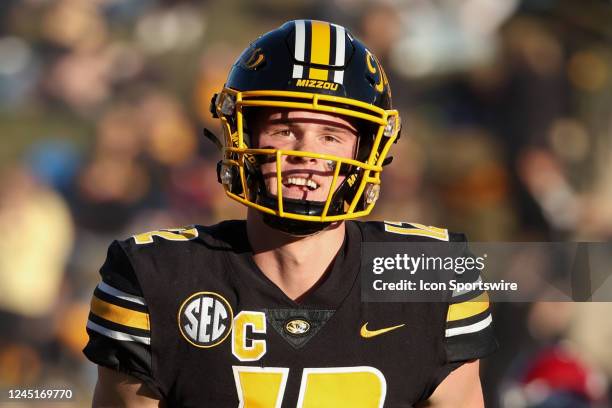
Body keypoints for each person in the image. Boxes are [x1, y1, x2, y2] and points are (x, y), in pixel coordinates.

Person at [84, 20, 497, 407]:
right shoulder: (156, 279)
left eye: (331, 135)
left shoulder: (429, 276)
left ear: (367, 150)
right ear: (241, 136)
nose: (307, 155)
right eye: (284, 130)